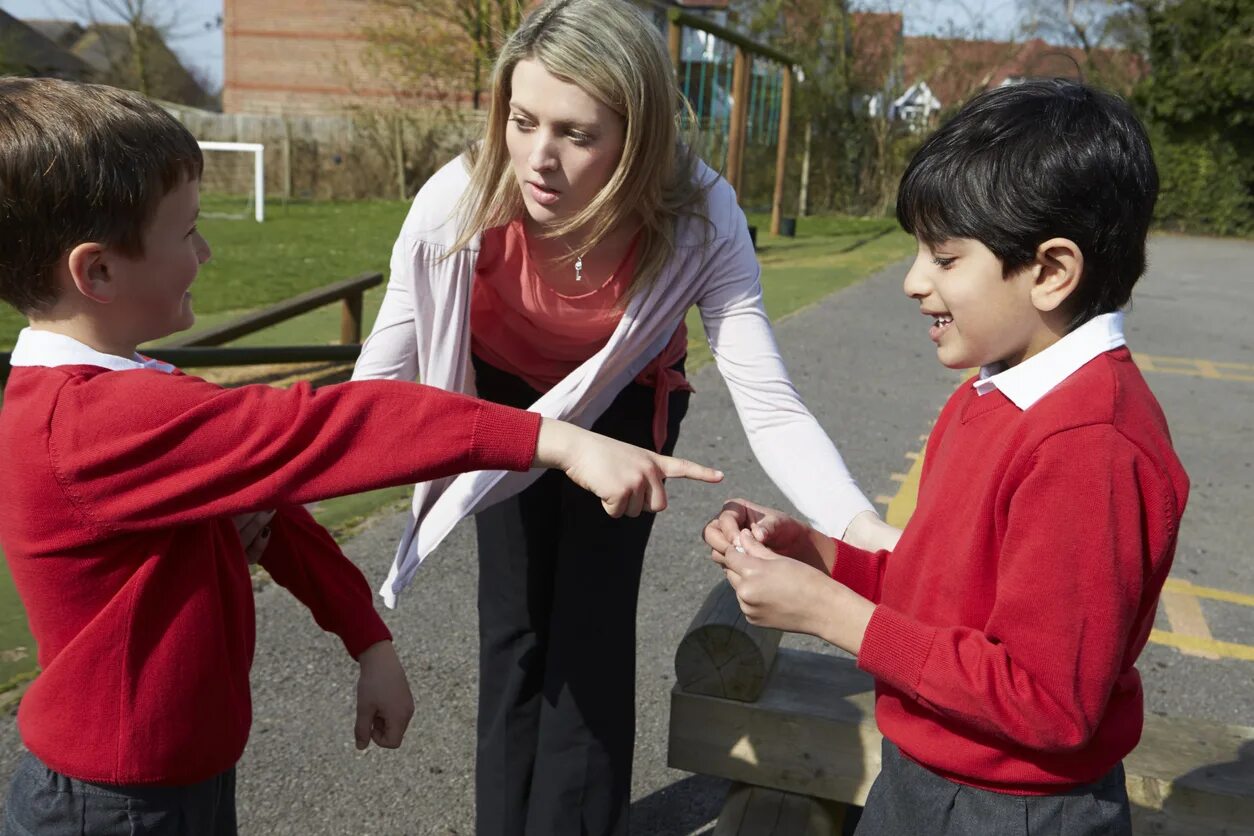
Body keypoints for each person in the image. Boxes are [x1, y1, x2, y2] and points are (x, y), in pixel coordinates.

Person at [0, 77, 721, 836]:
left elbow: (273, 515)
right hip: (113, 808)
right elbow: (330, 428)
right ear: (98, 272)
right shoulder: (90, 424)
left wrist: (367, 638)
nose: (206, 251)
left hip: (175, 779)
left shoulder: (135, 394)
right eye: (186, 233)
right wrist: (555, 439)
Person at [351, 0, 897, 832]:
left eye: (577, 134)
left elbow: (771, 404)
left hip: (627, 405)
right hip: (508, 400)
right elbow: (379, 379)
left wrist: (866, 533)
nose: (539, 159)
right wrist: (271, 489)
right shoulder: (457, 203)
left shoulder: (701, 218)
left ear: (637, 137)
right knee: (515, 625)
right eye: (524, 121)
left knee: (591, 630)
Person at [705, 79, 1189, 835]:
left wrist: (838, 617)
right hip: (925, 774)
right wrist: (821, 560)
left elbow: (1047, 700)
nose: (913, 281)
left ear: (1052, 270)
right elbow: (947, 588)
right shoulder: (991, 391)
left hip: (1017, 811)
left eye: (945, 256)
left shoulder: (1091, 447)